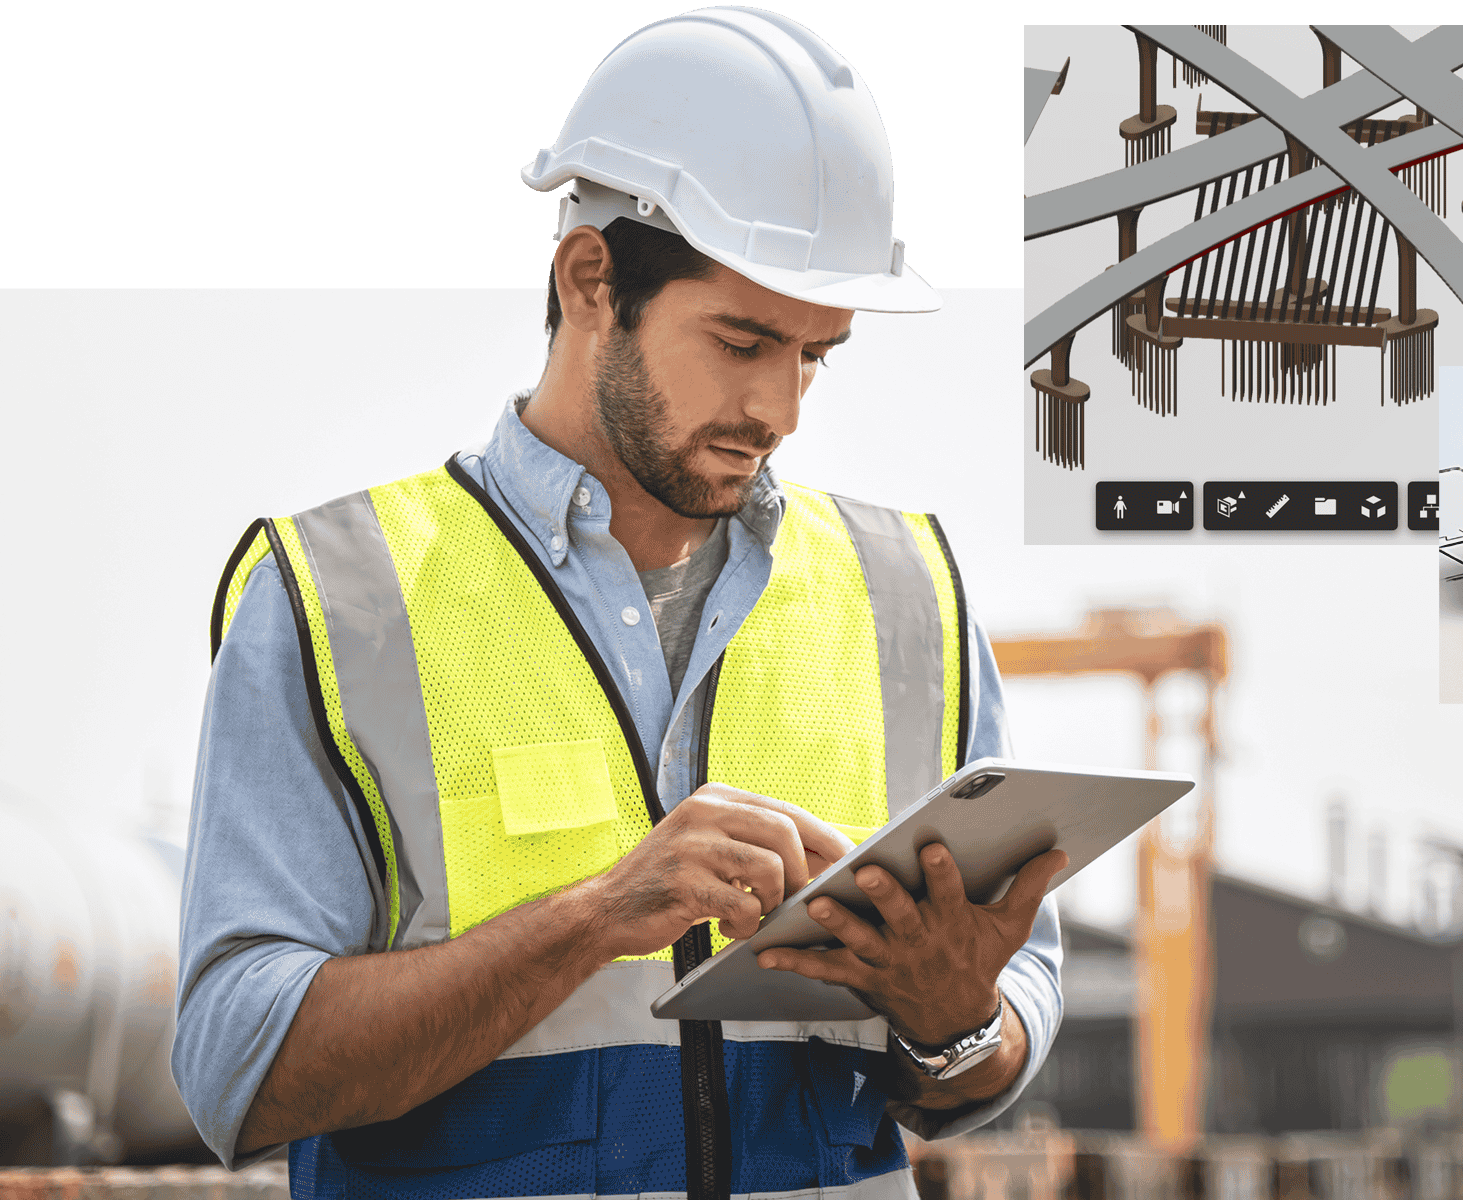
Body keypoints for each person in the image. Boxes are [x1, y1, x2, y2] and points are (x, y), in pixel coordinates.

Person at [172, 9, 1064, 1198]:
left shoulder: (906, 594)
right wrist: (597, 915)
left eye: (815, 354)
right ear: (591, 279)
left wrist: (951, 1016)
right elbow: (240, 1068)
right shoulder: (338, 599)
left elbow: (996, 1042)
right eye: (742, 341)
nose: (782, 408)